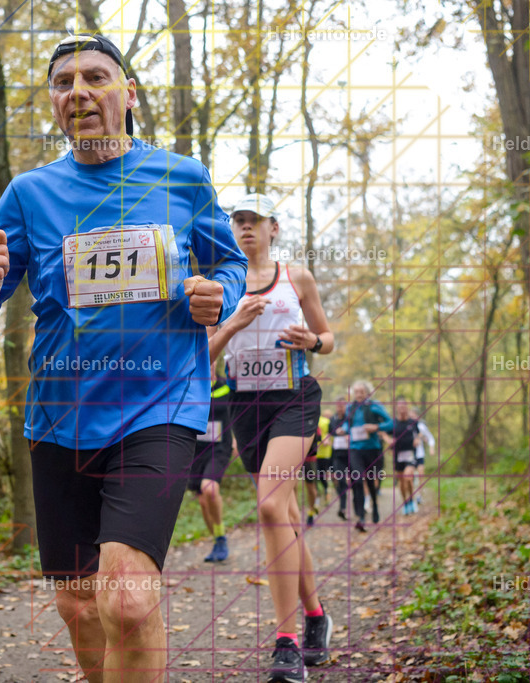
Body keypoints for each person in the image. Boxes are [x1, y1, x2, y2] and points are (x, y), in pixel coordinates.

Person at [0, 33, 248, 681]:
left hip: (159, 407)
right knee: (80, 606)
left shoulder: (182, 177)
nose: (79, 92)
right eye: (64, 83)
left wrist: (216, 295)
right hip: (59, 420)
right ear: (54, 103)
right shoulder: (30, 194)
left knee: (130, 597)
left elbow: (229, 263)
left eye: (95, 77)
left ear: (128, 93)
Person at [207, 193, 334, 683]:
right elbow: (207, 353)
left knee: (267, 507)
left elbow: (328, 338)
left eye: (254, 221)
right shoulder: (221, 285)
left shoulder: (294, 277)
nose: (245, 228)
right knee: (286, 512)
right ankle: (317, 615)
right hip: (245, 406)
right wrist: (234, 321)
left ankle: (287, 644)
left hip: (295, 399)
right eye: (237, 221)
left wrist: (312, 342)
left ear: (273, 228)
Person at [187, 370, 235, 562]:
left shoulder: (227, 386)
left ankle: (221, 538)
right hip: (195, 450)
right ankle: (217, 539)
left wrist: (238, 439)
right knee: (202, 501)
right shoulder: (189, 385)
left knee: (210, 489)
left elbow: (238, 410)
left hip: (220, 448)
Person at [336, 380, 393, 532]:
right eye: (357, 392)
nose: (359, 395)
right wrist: (344, 429)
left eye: (362, 392)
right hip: (355, 449)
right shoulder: (350, 407)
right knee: (357, 480)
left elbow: (390, 423)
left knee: (370, 481)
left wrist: (376, 427)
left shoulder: (375, 406)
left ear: (368, 393)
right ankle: (360, 517)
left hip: (372, 449)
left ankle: (374, 506)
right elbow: (349, 424)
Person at [388, 397, 420, 515]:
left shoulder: (413, 422)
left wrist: (417, 439)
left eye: (404, 406)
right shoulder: (393, 423)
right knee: (401, 481)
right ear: (397, 408)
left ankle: (412, 500)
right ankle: (406, 502)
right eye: (399, 406)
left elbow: (418, 434)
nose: (402, 409)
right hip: (398, 455)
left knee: (408, 477)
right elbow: (385, 435)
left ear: (407, 407)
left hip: (410, 454)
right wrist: (389, 441)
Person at [303, 413, 331, 526]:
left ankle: (311, 511)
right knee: (291, 487)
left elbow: (318, 438)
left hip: (309, 459)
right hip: (292, 459)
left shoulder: (312, 420)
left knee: (310, 487)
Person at [327, 398, 350, 520]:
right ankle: (342, 508)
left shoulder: (350, 418)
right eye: (338, 406)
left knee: (357, 481)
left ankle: (360, 507)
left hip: (351, 454)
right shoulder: (333, 420)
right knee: (340, 481)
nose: (340, 408)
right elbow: (330, 434)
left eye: (342, 406)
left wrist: (348, 436)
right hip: (337, 454)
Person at [413, 411, 435, 505]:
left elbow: (430, 438)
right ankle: (411, 496)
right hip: (409, 455)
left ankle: (419, 495)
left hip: (419, 454)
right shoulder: (406, 426)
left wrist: (431, 448)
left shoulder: (421, 426)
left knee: (421, 474)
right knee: (411, 477)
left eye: (414, 415)